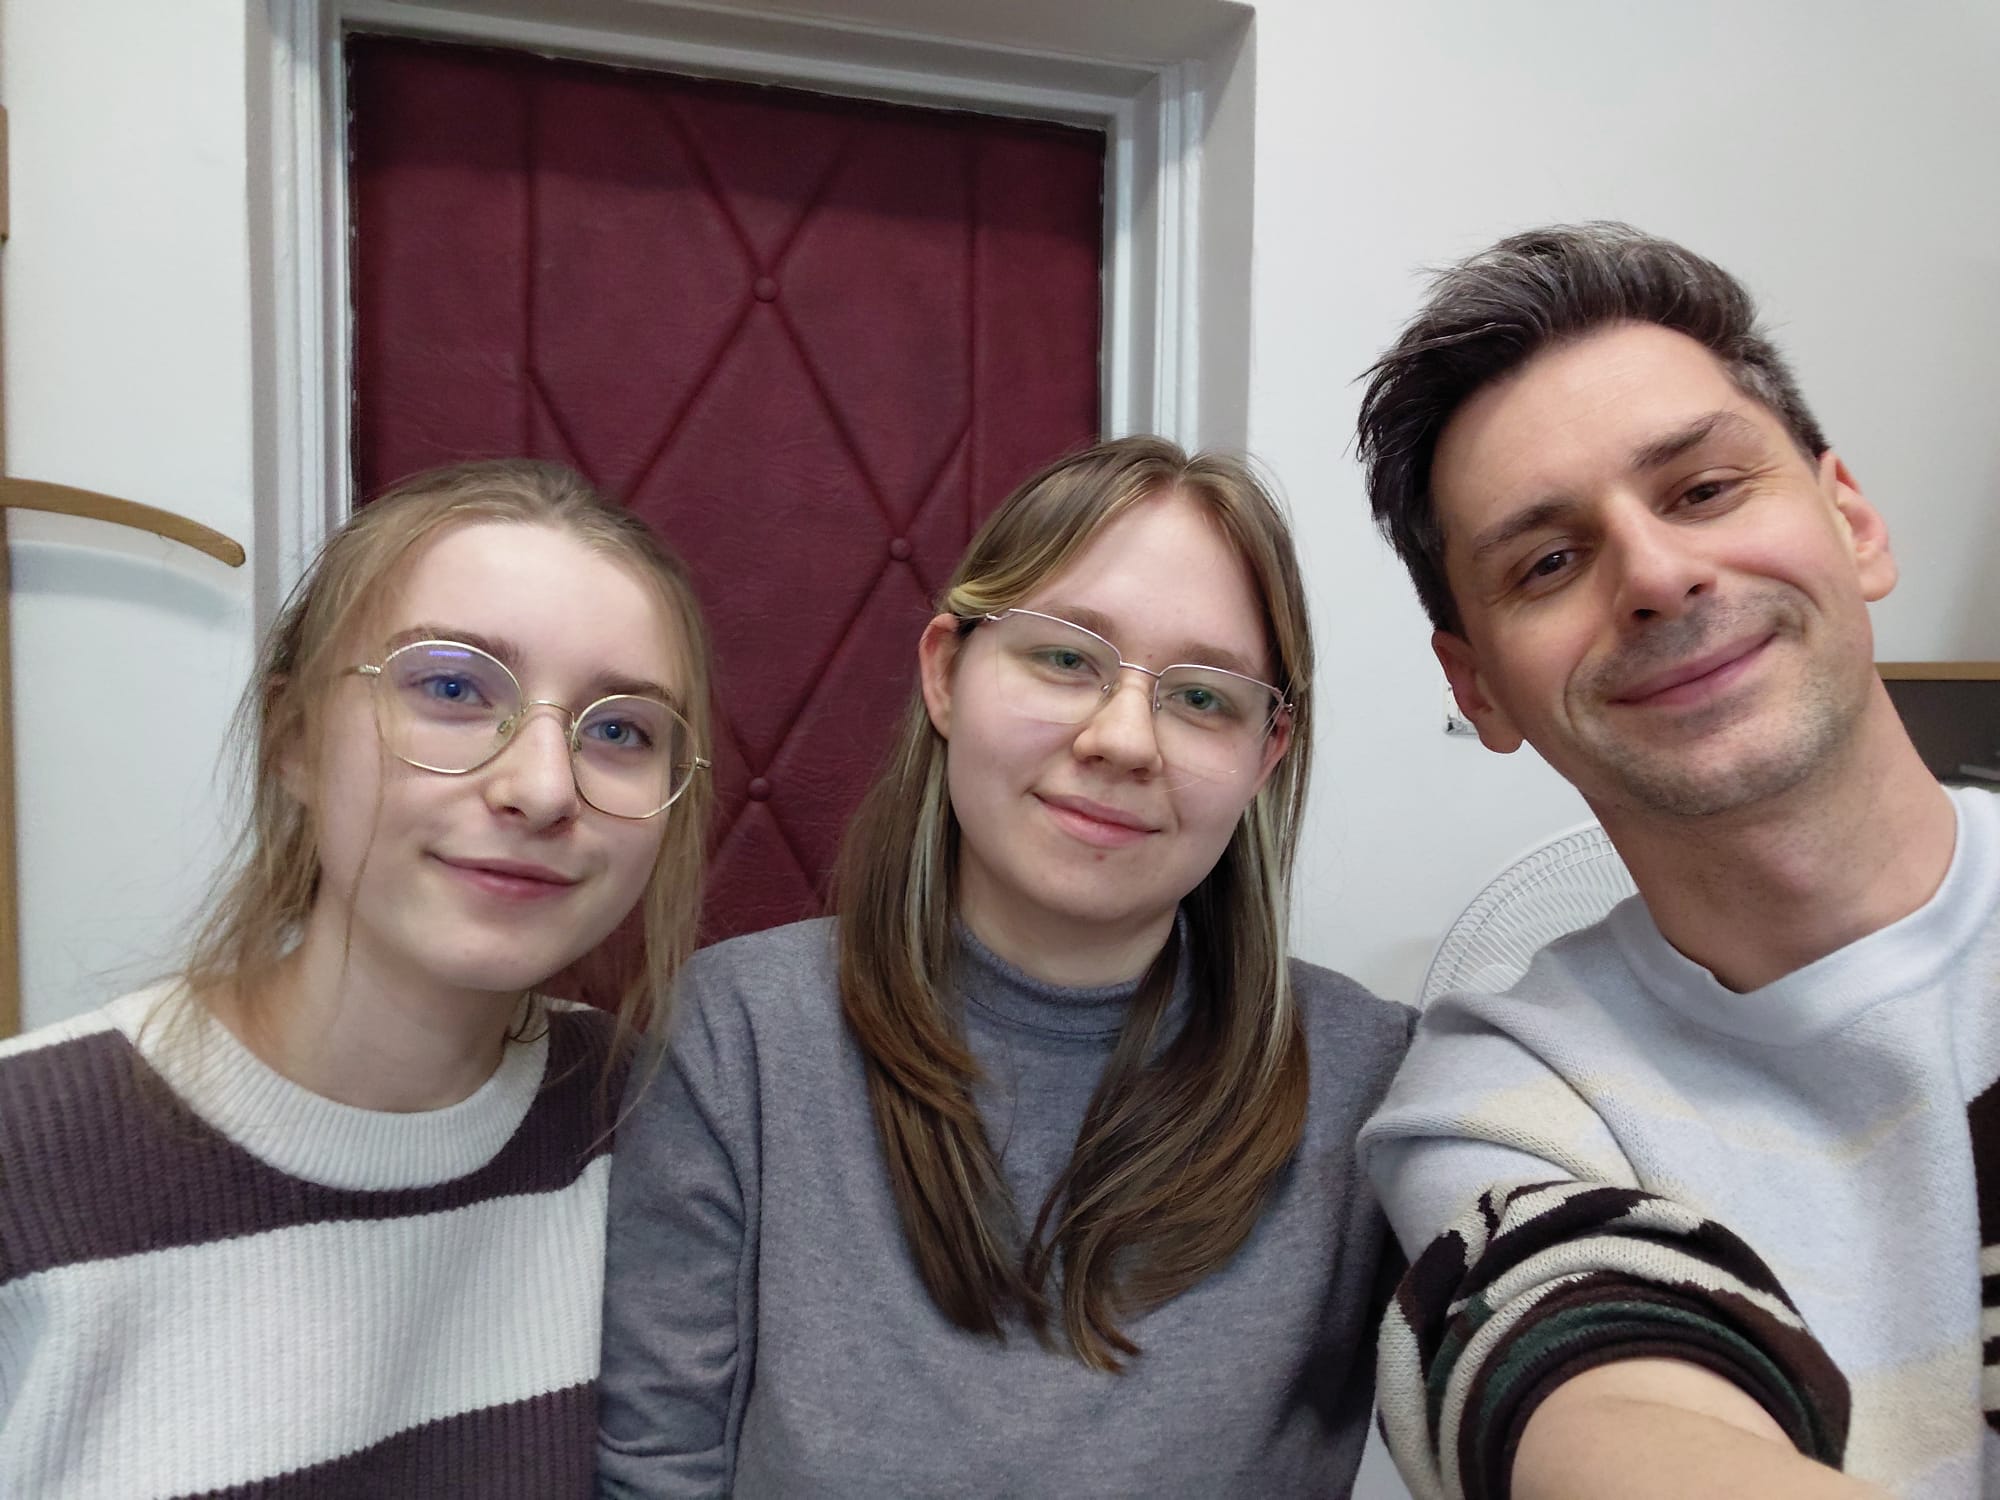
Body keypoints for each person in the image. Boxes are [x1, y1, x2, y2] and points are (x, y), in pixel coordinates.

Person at [596, 436, 1411, 1497]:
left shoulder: (1374, 1080)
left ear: (1266, 755)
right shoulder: (736, 1037)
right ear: (945, 673)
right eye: (1066, 658)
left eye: (1202, 697)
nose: (1125, 740)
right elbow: (656, 1466)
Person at [1353, 223, 1996, 1500]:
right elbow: (1598, 1397)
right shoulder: (1501, 1101)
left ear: (1851, 521)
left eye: (1702, 490)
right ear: (1477, 688)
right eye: (1547, 562)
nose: (1654, 574)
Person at [0, 460, 715, 1498]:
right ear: (293, 738)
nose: (542, 787)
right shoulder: (25, 1159)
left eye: (619, 731)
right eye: (453, 688)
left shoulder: (655, 1125)